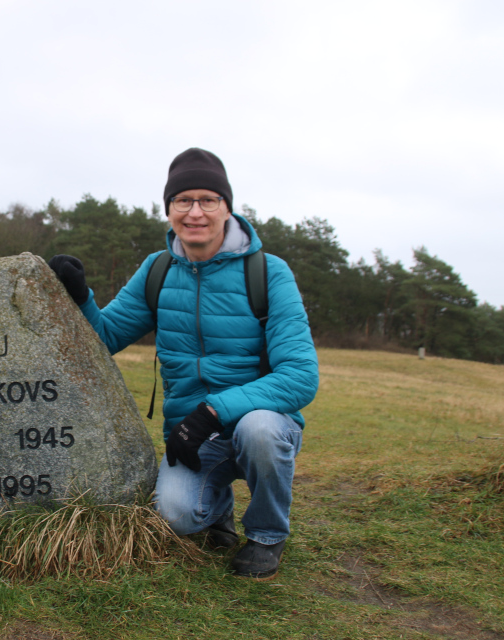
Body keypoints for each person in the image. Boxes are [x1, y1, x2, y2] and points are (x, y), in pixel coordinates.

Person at [48, 148, 319, 580]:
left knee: (260, 432)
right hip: (191, 439)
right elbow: (106, 338)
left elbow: (301, 378)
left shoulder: (268, 273)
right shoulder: (157, 270)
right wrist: (80, 297)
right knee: (175, 516)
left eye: (208, 200)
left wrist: (213, 411)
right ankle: (217, 509)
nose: (195, 212)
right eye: (183, 201)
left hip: (257, 422)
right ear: (169, 210)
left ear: (227, 207)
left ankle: (267, 535)